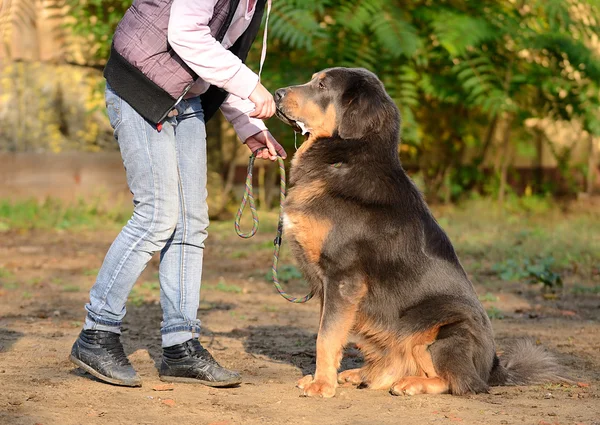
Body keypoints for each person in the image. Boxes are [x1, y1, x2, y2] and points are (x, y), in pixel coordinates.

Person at [70, 0, 286, 388]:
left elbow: (220, 55)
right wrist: (252, 85)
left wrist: (247, 123)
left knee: (191, 224)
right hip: (139, 86)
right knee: (157, 215)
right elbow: (185, 33)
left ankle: (180, 345)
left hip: (186, 98)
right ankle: (96, 334)